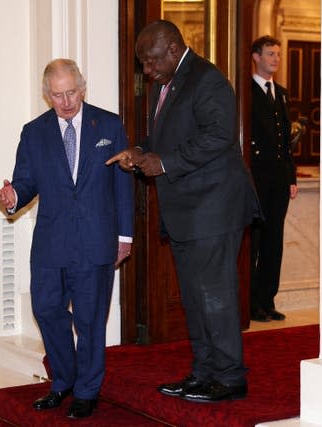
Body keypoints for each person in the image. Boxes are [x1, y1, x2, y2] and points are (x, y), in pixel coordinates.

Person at [106, 20, 260, 403]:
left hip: (213, 209)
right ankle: (204, 373)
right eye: (143, 63)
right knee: (195, 297)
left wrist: (166, 163)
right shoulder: (168, 83)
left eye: (150, 61)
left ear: (173, 49)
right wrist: (140, 152)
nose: (147, 70)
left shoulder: (207, 79)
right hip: (187, 213)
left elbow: (219, 135)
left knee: (216, 297)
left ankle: (229, 378)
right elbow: (165, 140)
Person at [0, 58, 134, 419]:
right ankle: (63, 381)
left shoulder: (108, 124)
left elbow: (123, 184)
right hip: (51, 243)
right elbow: (24, 182)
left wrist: (125, 236)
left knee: (90, 320)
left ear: (82, 88)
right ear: (47, 95)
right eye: (57, 95)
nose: (66, 101)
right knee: (46, 310)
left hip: (95, 240)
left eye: (71, 92)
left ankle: (87, 390)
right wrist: (13, 198)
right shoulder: (34, 132)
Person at [248, 35, 298, 323]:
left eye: (278, 54)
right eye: (270, 53)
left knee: (274, 242)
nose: (275, 59)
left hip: (278, 179)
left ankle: (267, 299)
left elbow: (286, 142)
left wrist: (290, 177)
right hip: (256, 178)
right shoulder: (247, 92)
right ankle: (251, 303)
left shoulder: (280, 92)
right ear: (256, 57)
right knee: (254, 241)